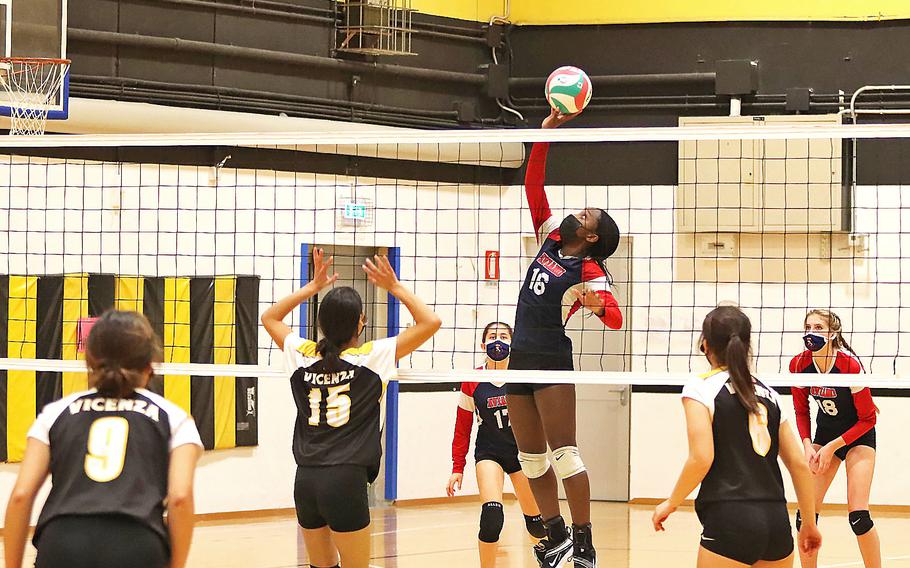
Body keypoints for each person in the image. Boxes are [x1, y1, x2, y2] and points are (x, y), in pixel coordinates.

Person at [262, 249, 441, 568]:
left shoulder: (303, 356)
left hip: (306, 481)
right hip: (345, 480)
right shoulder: (372, 357)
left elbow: (269, 318)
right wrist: (394, 286)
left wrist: (312, 287)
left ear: (321, 323)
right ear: (360, 322)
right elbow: (431, 321)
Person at [505, 108, 623, 568]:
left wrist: (596, 305)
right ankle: (555, 537)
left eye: (586, 213)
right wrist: (545, 131)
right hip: (519, 357)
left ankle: (584, 540)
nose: (578, 211)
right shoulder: (549, 236)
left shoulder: (589, 269)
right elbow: (534, 184)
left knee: (565, 455)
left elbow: (615, 318)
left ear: (591, 235)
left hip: (552, 359)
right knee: (531, 460)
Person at [4, 310, 203, 568]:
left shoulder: (55, 413)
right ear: (150, 363)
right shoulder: (175, 418)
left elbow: (21, 495)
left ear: (90, 360)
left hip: (62, 544)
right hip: (137, 544)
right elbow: (180, 497)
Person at [653, 305, 822, 567]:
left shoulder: (700, 388)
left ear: (705, 345)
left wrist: (671, 503)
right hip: (777, 523)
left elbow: (701, 458)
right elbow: (799, 465)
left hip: (730, 519)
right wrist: (809, 523)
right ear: (746, 344)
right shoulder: (770, 395)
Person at [447, 321, 546, 567]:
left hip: (522, 454)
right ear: (483, 344)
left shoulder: (523, 376)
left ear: (512, 343)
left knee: (537, 525)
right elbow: (462, 428)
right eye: (492, 336)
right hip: (489, 453)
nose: (498, 341)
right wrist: (457, 468)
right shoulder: (472, 380)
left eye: (503, 336)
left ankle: (549, 559)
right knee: (491, 517)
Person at [790, 309, 880, 568]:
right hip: (825, 433)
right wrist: (807, 444)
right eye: (808, 326)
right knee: (804, 516)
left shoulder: (849, 365)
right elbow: (801, 410)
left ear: (831, 334)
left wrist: (831, 447)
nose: (811, 332)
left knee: (858, 517)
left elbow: (868, 419)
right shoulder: (798, 364)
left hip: (858, 436)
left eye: (818, 328)